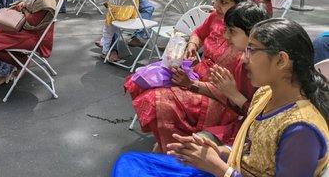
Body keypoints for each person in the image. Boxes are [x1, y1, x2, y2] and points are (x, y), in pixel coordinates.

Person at [113, 19, 329, 177]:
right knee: (129, 162)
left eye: (251, 51)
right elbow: (252, 153)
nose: (243, 59)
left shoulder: (301, 130)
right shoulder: (266, 93)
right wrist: (219, 151)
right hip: (226, 168)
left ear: (281, 60)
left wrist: (218, 167)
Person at [124, 0, 255, 152]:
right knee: (140, 81)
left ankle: (172, 147)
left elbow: (238, 99)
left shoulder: (247, 55)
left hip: (219, 99)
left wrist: (191, 84)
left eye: (222, 2)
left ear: (242, 6)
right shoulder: (217, 18)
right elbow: (198, 33)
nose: (215, 6)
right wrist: (192, 45)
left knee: (159, 100)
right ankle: (168, 141)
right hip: (196, 75)